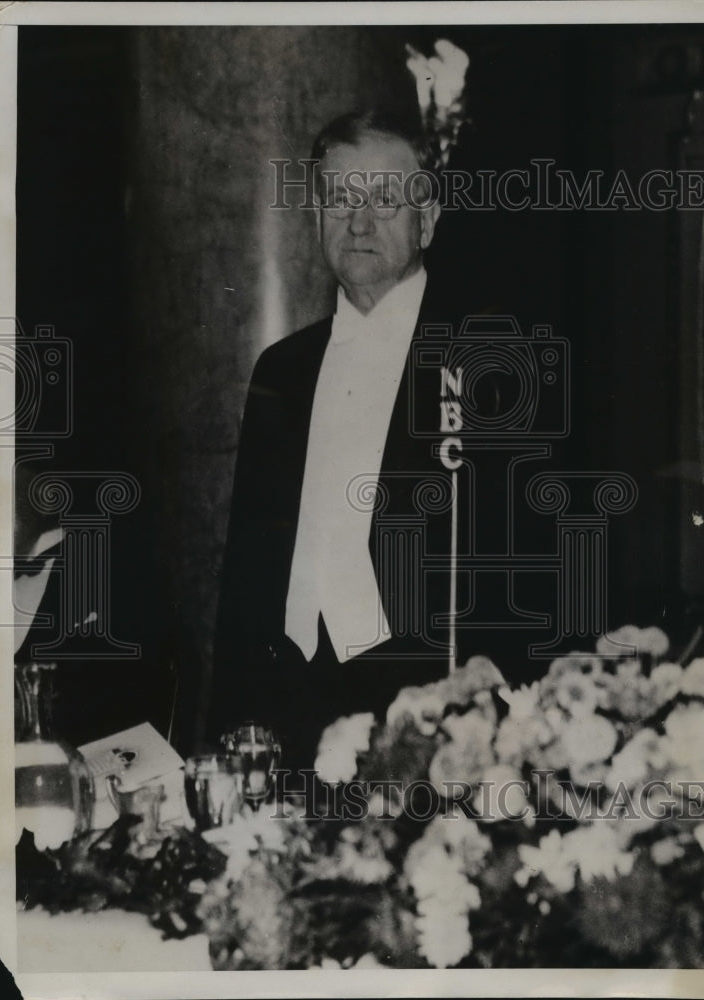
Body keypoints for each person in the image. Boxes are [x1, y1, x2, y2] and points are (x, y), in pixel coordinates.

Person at [209, 110, 474, 772]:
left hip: (424, 712)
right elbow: (246, 570)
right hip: (287, 699)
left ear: (428, 219)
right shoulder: (280, 369)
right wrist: (230, 728)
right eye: (340, 199)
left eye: (385, 200)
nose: (359, 223)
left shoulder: (485, 362)